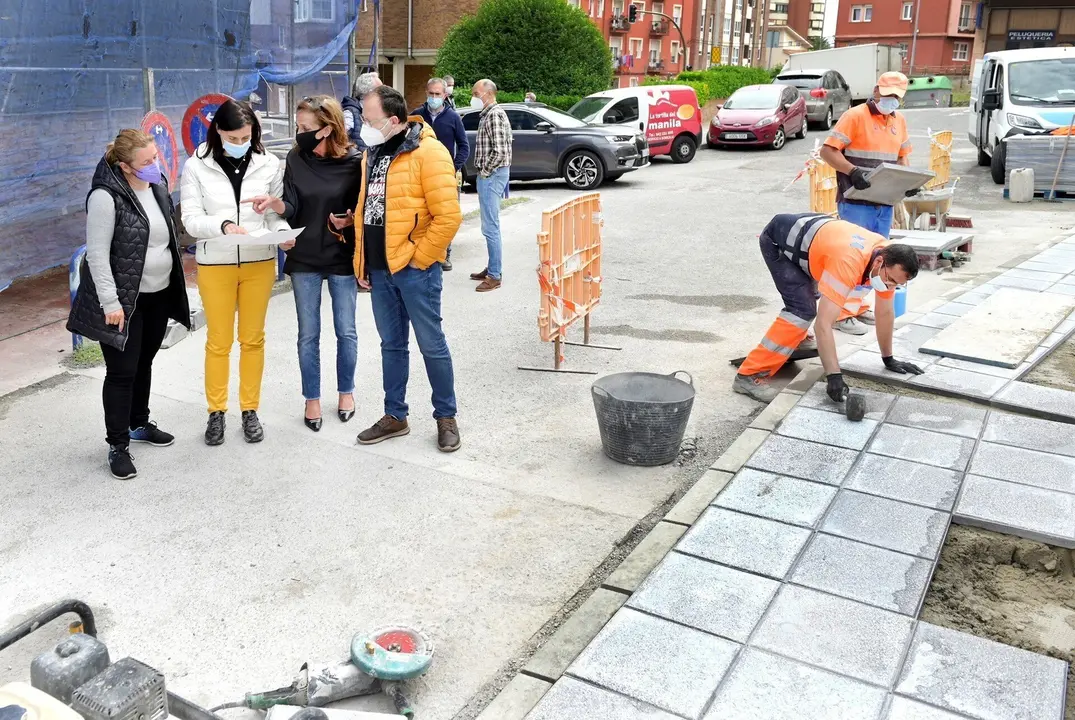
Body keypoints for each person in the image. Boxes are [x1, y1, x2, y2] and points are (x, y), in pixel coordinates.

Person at [340, 85, 463, 452]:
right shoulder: (371, 154)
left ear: (393, 121)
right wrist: (360, 255)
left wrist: (420, 257)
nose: (364, 124)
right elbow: (371, 209)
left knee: (431, 345)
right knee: (392, 346)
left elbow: (448, 217)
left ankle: (445, 416)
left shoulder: (429, 152)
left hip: (414, 269)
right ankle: (395, 415)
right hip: (379, 269)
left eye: (369, 118)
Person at [67, 130, 191, 479]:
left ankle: (139, 424)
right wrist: (110, 302)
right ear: (124, 166)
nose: (155, 165)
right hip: (124, 301)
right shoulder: (105, 198)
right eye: (147, 162)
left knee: (145, 360)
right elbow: (97, 254)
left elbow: (167, 239)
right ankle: (117, 445)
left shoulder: (158, 186)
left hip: (158, 293)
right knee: (121, 372)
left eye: (156, 157)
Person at [246, 96, 363, 432]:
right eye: (298, 126)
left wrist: (350, 221)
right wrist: (276, 205)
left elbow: (362, 209)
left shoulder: (355, 161)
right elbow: (292, 207)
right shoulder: (296, 158)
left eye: (305, 128)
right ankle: (311, 398)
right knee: (308, 335)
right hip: (304, 257)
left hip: (341, 256)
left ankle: (346, 392)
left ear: (327, 129)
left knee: (347, 331)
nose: (299, 133)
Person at [181, 99, 290, 446]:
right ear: (218, 132)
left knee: (253, 339)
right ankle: (216, 412)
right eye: (233, 136)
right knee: (219, 341)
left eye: (246, 136)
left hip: (259, 261)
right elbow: (190, 219)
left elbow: (272, 213)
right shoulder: (196, 166)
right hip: (216, 262)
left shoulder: (269, 163)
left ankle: (249, 409)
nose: (240, 143)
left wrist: (282, 231)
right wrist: (224, 225)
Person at [732, 213, 925, 404]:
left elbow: (885, 312)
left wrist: (888, 359)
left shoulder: (889, 260)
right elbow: (823, 325)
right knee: (801, 311)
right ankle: (749, 375)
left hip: (814, 243)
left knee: (809, 300)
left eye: (896, 285)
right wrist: (834, 376)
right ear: (879, 262)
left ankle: (797, 339)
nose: (890, 287)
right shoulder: (849, 263)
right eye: (890, 281)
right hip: (780, 240)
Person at [820, 71, 912, 336]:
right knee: (851, 258)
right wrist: (851, 171)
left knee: (876, 259)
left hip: (883, 203)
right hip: (856, 201)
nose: (890, 99)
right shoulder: (855, 116)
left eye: (896, 96)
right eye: (886, 94)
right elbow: (828, 150)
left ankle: (857, 307)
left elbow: (903, 158)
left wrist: (907, 182)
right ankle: (841, 313)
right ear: (875, 90)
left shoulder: (899, 121)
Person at [413, 77, 470, 271]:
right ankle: (422, 252)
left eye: (438, 94)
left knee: (445, 216)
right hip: (419, 176)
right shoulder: (417, 116)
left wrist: (452, 167)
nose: (434, 97)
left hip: (445, 177)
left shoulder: (453, 117)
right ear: (426, 93)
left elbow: (464, 146)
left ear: (445, 95)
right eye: (431, 93)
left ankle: (445, 254)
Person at [469, 78, 512, 292]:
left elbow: (500, 151)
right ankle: (492, 267)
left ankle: (495, 275)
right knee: (489, 225)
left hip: (492, 175)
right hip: (492, 174)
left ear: (488, 93)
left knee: (490, 226)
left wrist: (485, 172)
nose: (474, 97)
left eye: (476, 93)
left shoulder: (494, 115)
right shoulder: (489, 114)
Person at [342, 71, 383, 150]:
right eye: (380, 91)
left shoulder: (376, 114)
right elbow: (338, 140)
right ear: (369, 92)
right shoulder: (349, 113)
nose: (383, 95)